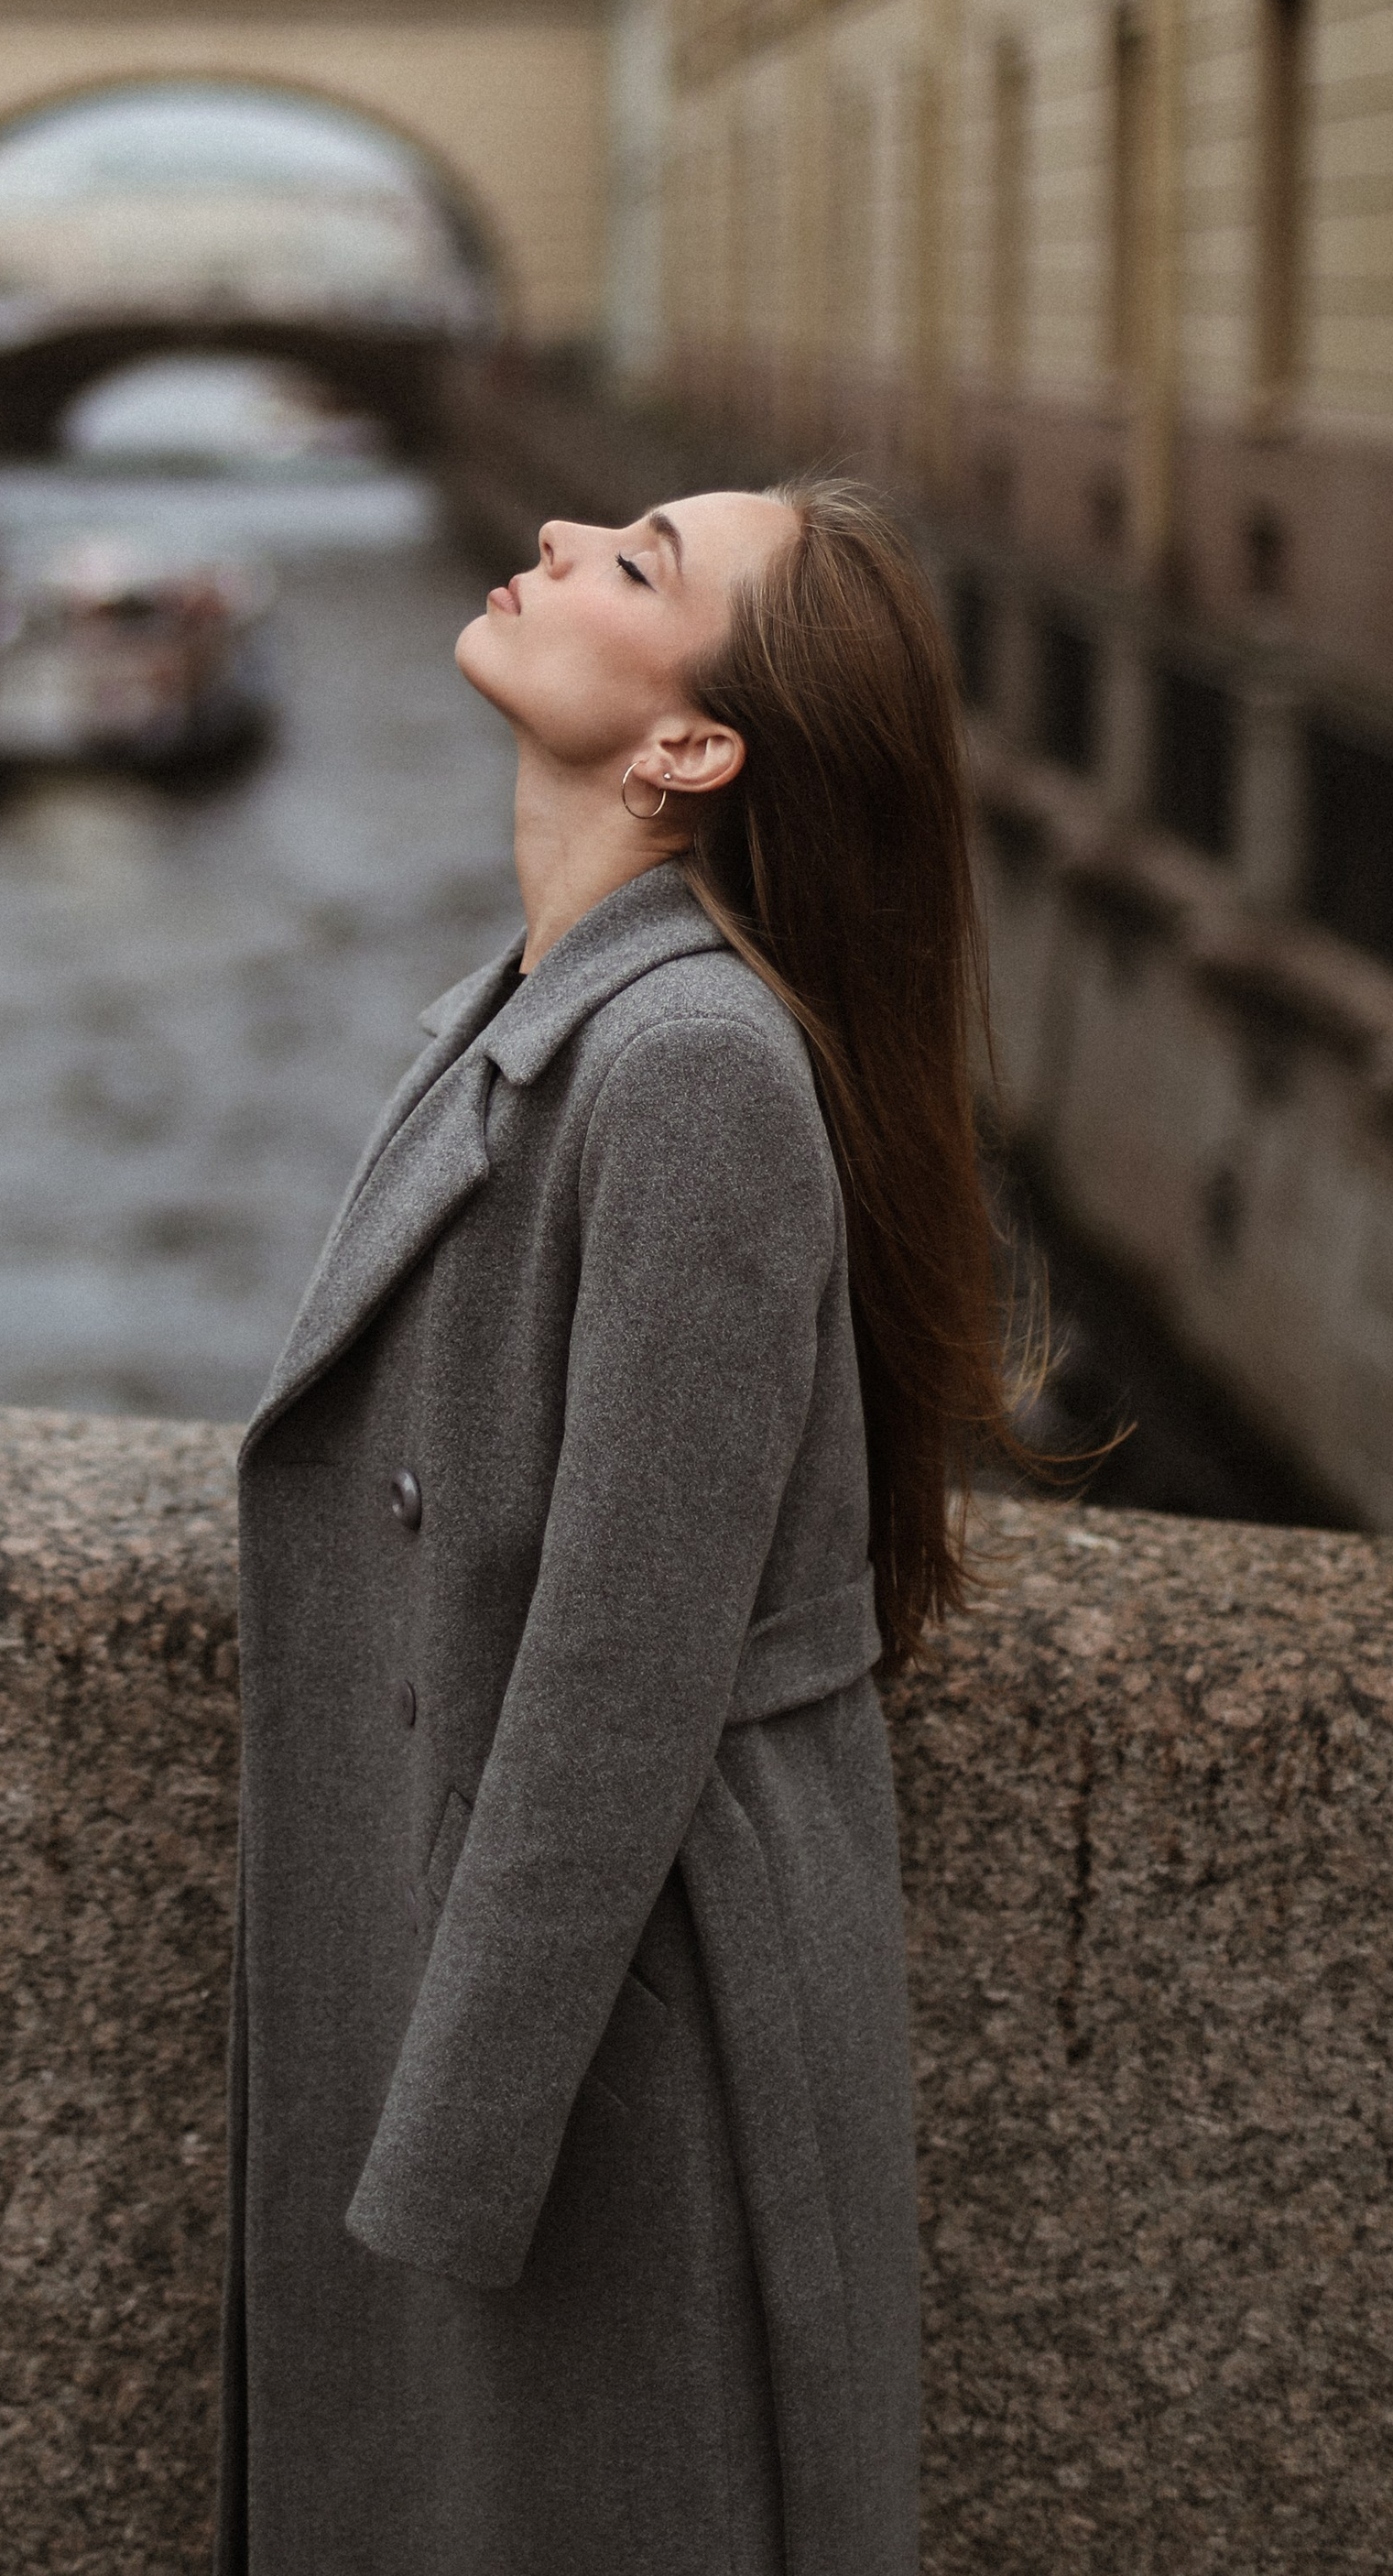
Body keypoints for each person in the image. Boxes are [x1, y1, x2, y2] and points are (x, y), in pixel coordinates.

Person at [216, 476, 1028, 2576]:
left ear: (689, 748)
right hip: (527, 2023)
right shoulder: (546, 1013)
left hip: (609, 2068)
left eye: (640, 564)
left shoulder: (682, 1064)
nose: (566, 529)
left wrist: (457, 2152)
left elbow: (617, 1674)